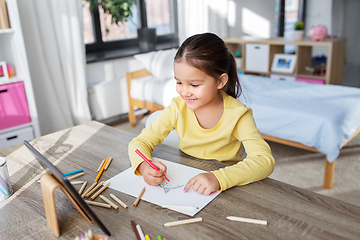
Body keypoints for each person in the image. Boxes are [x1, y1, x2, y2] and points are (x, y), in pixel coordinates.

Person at [128, 32, 275, 195]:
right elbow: (139, 143)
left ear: (220, 81)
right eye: (178, 82)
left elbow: (264, 160)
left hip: (226, 188)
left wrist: (218, 178)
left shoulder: (238, 115)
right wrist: (143, 165)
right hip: (186, 183)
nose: (184, 92)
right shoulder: (177, 108)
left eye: (194, 84)